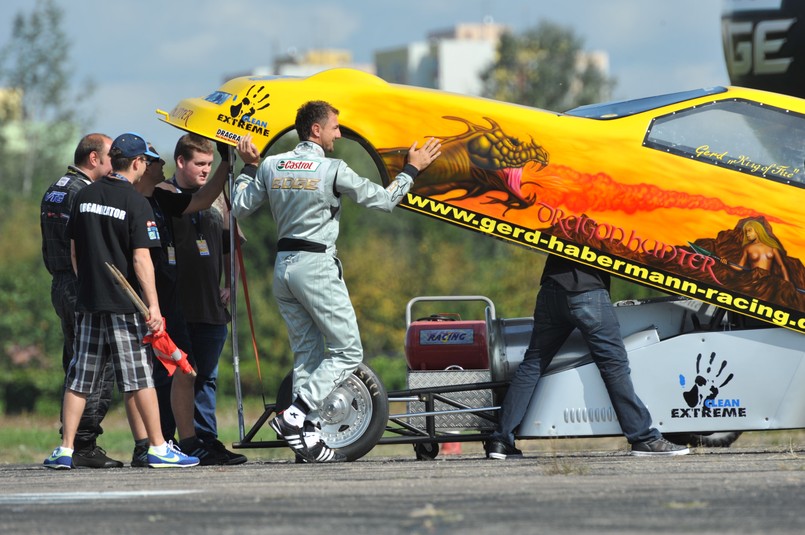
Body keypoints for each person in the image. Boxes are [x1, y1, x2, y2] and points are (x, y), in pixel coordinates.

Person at [231, 101, 442, 463]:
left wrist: (248, 167)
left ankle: (307, 437)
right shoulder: (332, 169)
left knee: (307, 356)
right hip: (316, 265)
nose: (339, 134)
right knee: (348, 351)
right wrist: (412, 169)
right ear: (316, 130)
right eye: (335, 127)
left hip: (283, 268)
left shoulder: (270, 165)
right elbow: (384, 200)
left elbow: (238, 207)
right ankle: (296, 414)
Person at [43, 132, 199, 469]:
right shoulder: (136, 202)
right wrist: (154, 307)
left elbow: (73, 249)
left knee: (80, 377)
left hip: (87, 300)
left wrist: (87, 283)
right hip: (123, 304)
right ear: (138, 162)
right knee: (139, 377)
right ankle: (158, 447)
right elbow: (142, 260)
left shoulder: (84, 195)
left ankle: (65, 449)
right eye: (146, 161)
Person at [486, 255, 690, 459]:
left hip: (551, 288)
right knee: (614, 365)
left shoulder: (560, 220)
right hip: (587, 291)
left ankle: (500, 440)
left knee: (533, 364)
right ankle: (643, 437)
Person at [134, 141, 245, 466]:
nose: (205, 170)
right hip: (172, 306)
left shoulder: (214, 198)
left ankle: (202, 441)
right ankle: (161, 442)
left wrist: (230, 283)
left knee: (203, 377)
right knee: (164, 376)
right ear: (181, 161)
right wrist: (229, 163)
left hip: (210, 307)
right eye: (200, 163)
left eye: (210, 164)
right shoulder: (158, 194)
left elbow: (229, 244)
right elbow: (200, 200)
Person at [40, 133, 123, 469]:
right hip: (81, 285)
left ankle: (73, 441)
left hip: (60, 283)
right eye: (109, 157)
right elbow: (87, 244)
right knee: (96, 366)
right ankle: (85, 443)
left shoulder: (56, 188)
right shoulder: (84, 192)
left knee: (74, 363)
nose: (113, 164)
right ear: (93, 159)